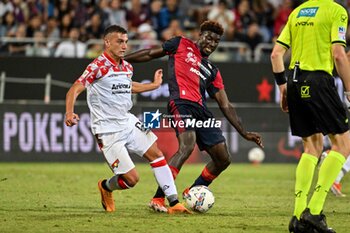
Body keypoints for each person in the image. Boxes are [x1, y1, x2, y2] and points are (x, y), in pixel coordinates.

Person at [124, 20, 263, 212]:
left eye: (217, 42)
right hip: (180, 104)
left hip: (201, 110)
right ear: (200, 35)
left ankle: (195, 189)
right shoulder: (180, 44)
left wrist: (244, 132)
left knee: (223, 158)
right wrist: (121, 60)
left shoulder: (213, 70)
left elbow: (225, 104)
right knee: (187, 146)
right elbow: (149, 53)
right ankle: (158, 198)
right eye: (209, 38)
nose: (212, 44)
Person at [65, 25, 190, 214]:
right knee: (131, 180)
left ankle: (174, 203)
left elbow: (128, 86)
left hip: (127, 121)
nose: (124, 46)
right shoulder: (97, 66)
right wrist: (69, 112)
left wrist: (153, 86)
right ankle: (106, 187)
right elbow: (75, 88)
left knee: (156, 154)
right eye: (119, 42)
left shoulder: (126, 66)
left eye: (126, 42)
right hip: (107, 130)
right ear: (107, 43)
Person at [270, 1, 350, 232]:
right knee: (343, 144)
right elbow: (339, 54)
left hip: (294, 81)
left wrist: (283, 87)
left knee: (311, 148)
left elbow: (276, 55)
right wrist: (348, 90)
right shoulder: (336, 11)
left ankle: (297, 217)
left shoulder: (297, 12)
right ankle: (314, 212)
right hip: (319, 81)